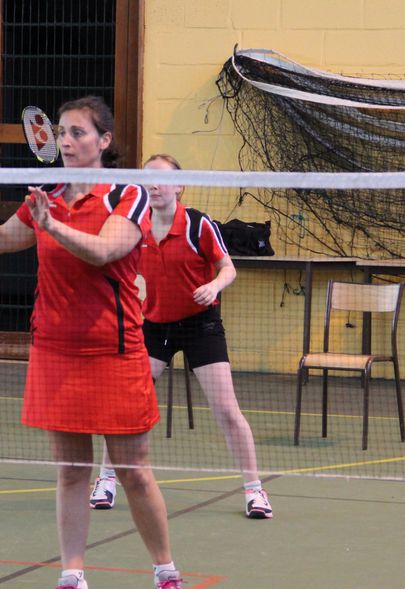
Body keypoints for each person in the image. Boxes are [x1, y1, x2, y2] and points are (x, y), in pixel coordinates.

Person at [0, 97, 189, 589]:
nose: (66, 141)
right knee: (72, 472)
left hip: (114, 350)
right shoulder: (49, 196)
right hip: (56, 350)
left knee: (133, 471)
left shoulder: (128, 195)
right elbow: (4, 237)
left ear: (104, 141)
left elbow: (106, 250)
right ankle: (72, 582)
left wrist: (52, 226)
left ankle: (166, 576)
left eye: (78, 132)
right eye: (62, 132)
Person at [89, 153, 273, 519]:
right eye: (147, 179)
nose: (153, 185)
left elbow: (228, 268)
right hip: (154, 326)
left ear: (179, 185)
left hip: (200, 324)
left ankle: (255, 490)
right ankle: (106, 478)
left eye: (161, 179)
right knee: (126, 406)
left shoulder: (197, 225)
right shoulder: (132, 226)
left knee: (226, 410)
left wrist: (214, 285)